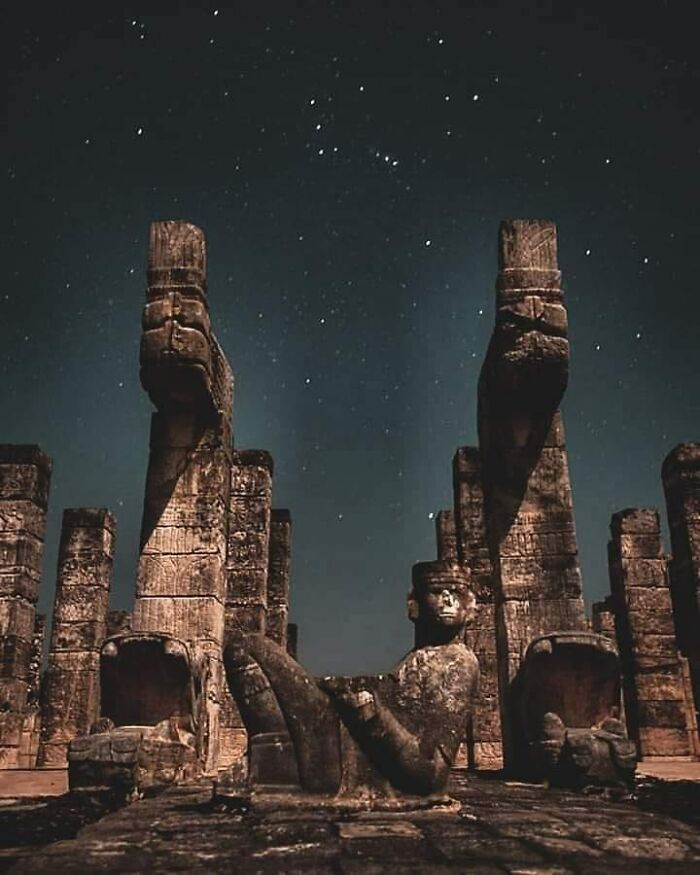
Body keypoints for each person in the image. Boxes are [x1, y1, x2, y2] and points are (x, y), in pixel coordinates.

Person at [224, 561, 479, 796]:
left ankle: (278, 762)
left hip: (341, 756)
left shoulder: (458, 664)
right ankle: (277, 759)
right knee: (247, 648)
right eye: (437, 592)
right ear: (414, 604)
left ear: (470, 605)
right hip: (339, 741)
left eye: (455, 592)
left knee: (245, 649)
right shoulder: (424, 656)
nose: (447, 599)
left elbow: (429, 776)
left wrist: (372, 715)